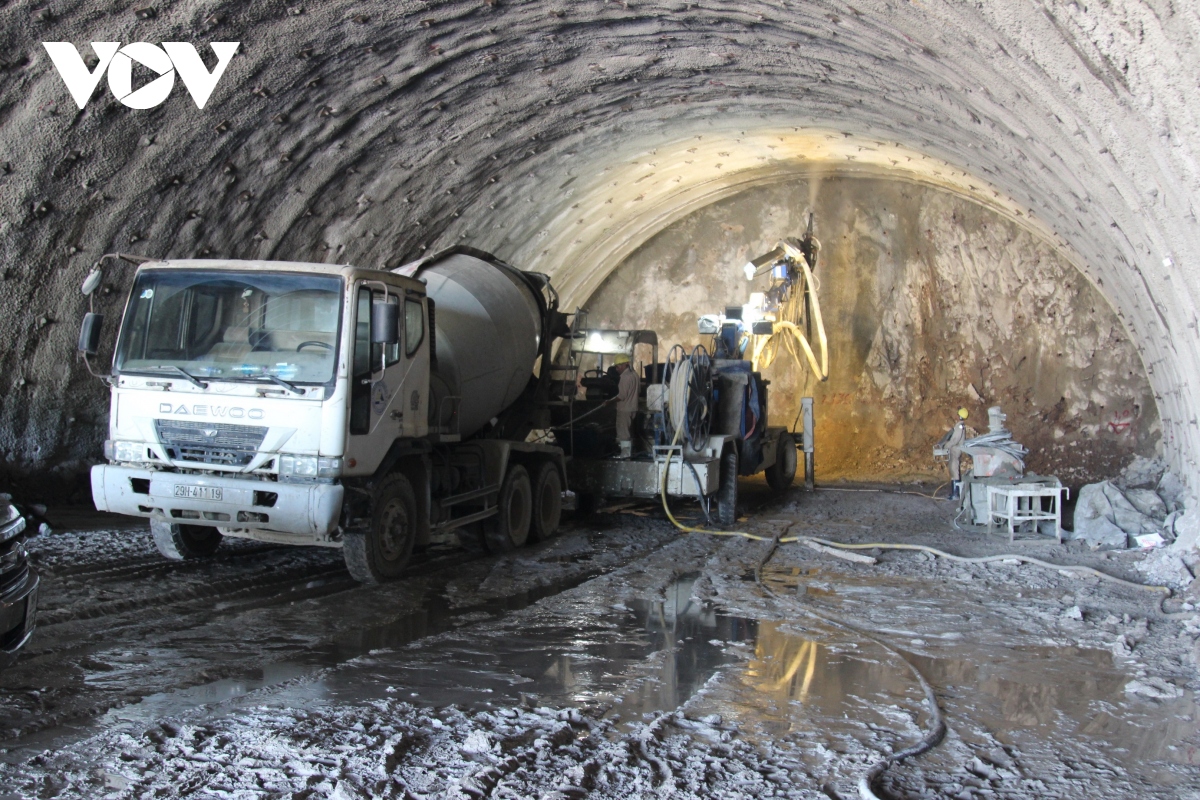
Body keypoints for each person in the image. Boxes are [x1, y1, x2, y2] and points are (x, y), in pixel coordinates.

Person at [606, 354, 639, 458]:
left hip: (624, 409)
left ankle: (625, 456)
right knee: (629, 432)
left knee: (623, 433)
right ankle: (628, 454)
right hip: (633, 408)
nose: (617, 369)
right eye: (616, 366)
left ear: (625, 364)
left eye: (618, 366)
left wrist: (609, 401)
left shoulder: (624, 377)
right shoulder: (635, 375)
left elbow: (622, 396)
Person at [942, 407, 969, 499]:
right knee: (953, 470)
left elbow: (955, 439)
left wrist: (946, 446)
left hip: (955, 450)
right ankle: (954, 492)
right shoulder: (959, 425)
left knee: (954, 470)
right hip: (954, 449)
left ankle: (956, 494)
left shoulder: (959, 426)